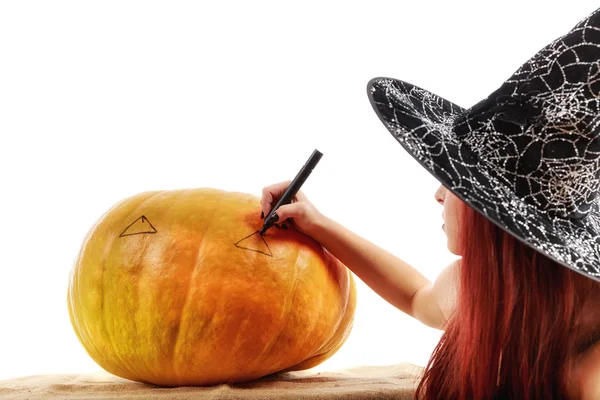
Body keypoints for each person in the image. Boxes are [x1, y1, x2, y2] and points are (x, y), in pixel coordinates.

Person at [259, 7, 600, 400]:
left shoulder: (590, 360)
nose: (438, 193)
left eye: (458, 182)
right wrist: (318, 225)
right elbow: (416, 297)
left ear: (496, 214)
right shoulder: (475, 287)